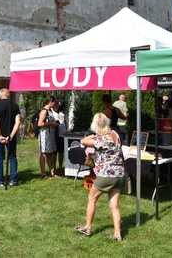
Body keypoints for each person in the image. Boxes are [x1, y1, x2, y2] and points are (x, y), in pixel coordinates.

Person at [76, 113, 125, 242]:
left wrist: (92, 135)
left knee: (91, 198)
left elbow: (83, 141)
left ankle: (87, 227)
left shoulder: (101, 140)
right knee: (114, 205)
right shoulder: (115, 134)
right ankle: (117, 233)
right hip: (119, 173)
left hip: (106, 174)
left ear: (96, 125)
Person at [0, 88, 22, 187]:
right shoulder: (15, 106)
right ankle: (13, 180)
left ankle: (0, 181)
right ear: (8, 95)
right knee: (12, 157)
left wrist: (0, 136)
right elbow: (17, 122)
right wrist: (11, 136)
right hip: (11, 137)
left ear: (1, 95)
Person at [38, 97, 59, 177]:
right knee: (43, 154)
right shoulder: (44, 111)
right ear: (50, 102)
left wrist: (54, 124)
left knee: (50, 154)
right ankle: (43, 173)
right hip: (44, 135)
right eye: (54, 102)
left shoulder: (50, 111)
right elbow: (39, 124)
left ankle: (52, 172)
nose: (55, 104)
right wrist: (51, 124)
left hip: (50, 135)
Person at [53, 101, 67, 175]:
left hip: (62, 134)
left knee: (61, 152)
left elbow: (65, 121)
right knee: (54, 153)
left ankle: (61, 167)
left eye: (58, 104)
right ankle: (54, 168)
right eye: (56, 104)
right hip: (55, 134)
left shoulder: (62, 112)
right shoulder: (51, 112)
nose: (57, 105)